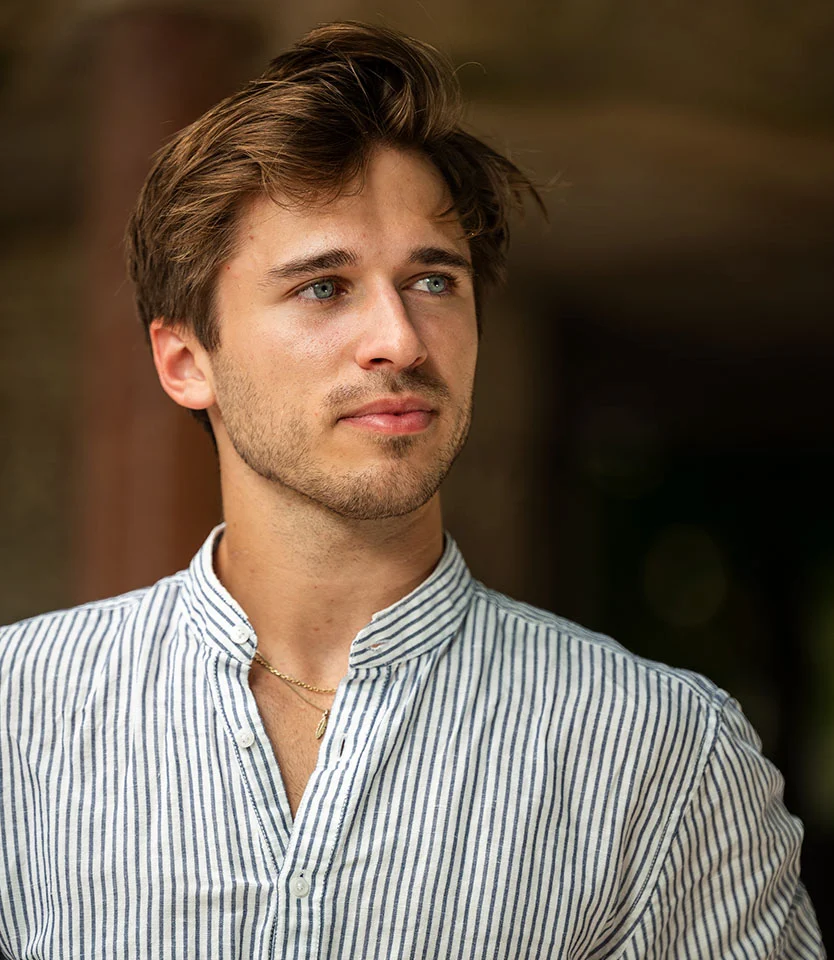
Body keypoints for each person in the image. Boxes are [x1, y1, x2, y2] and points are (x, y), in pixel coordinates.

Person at [0, 21, 824, 960]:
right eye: (323, 287)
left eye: (433, 279)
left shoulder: (663, 752)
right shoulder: (19, 717)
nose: (399, 337)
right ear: (186, 360)